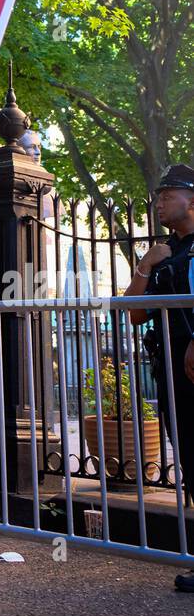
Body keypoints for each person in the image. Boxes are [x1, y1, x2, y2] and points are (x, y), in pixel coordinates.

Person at [126, 163, 194, 594]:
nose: (159, 202)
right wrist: (145, 264)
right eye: (157, 196)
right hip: (172, 371)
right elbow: (133, 311)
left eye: (168, 194)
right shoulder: (166, 252)